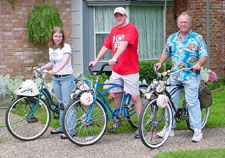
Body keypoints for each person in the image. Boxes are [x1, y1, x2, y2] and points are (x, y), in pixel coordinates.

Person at [89, 7, 142, 138]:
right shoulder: (114, 30)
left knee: (135, 98)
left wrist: (115, 57)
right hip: (117, 70)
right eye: (116, 16)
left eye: (121, 15)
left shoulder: (131, 28)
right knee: (117, 95)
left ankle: (141, 127)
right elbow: (106, 46)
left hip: (130, 70)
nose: (118, 18)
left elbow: (123, 44)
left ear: (125, 16)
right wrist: (96, 60)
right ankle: (117, 120)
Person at [155, 12, 208, 142]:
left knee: (192, 102)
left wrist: (198, 64)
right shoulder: (172, 38)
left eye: (185, 22)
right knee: (169, 101)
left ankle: (197, 130)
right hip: (175, 75)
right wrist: (160, 62)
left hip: (191, 75)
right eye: (181, 22)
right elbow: (166, 52)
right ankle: (169, 128)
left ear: (190, 23)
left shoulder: (198, 38)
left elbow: (204, 55)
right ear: (178, 24)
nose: (183, 24)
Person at [38, 27, 76, 139]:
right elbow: (52, 62)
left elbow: (64, 61)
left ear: (62, 37)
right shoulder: (52, 48)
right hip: (56, 79)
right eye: (55, 36)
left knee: (68, 103)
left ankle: (71, 131)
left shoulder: (67, 47)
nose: (57, 38)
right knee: (61, 104)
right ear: (52, 37)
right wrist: (42, 67)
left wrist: (56, 70)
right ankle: (62, 127)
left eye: (59, 36)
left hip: (66, 78)